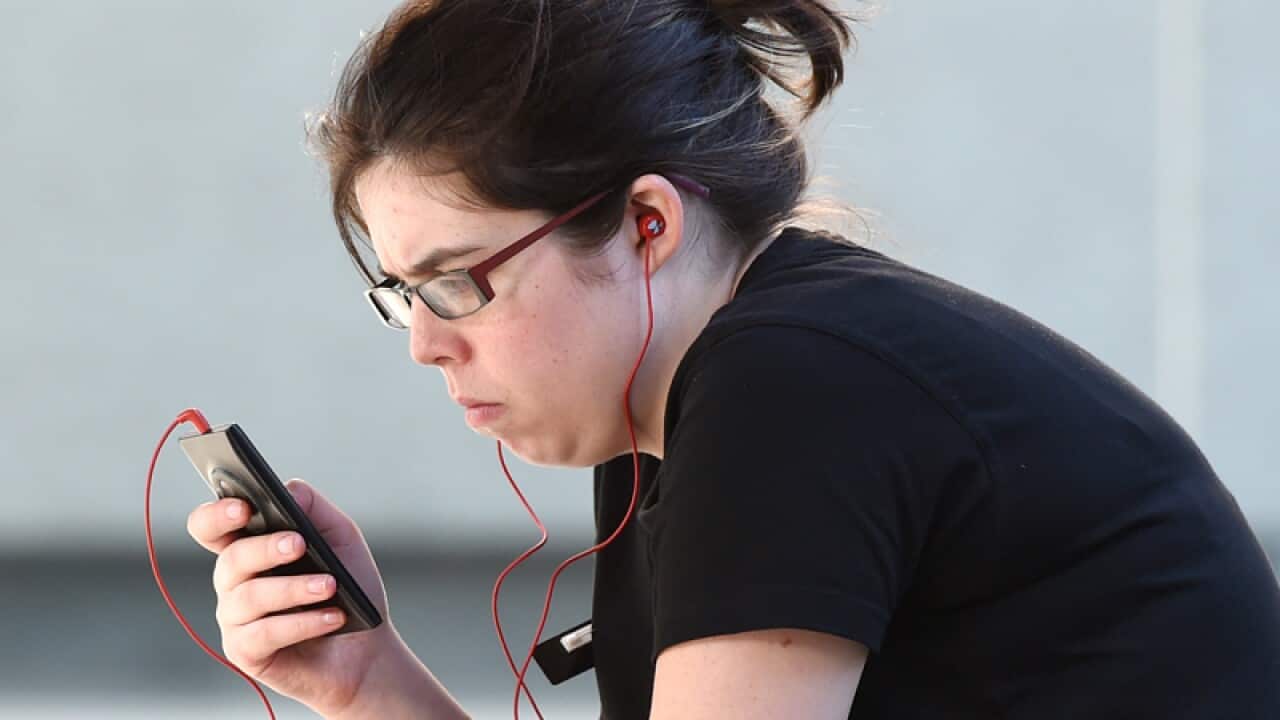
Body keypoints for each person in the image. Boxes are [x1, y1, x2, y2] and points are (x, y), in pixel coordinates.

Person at [185, 1, 1280, 718]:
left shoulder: (791, 382)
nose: (425, 342)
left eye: (455, 280)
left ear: (645, 226)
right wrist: (364, 678)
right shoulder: (686, 400)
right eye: (401, 295)